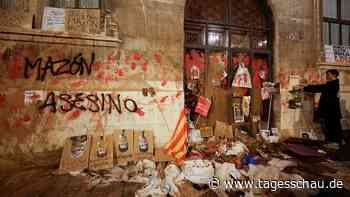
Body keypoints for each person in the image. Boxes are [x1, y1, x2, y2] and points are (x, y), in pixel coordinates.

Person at [303, 69, 343, 145]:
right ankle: (335, 142)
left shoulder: (333, 84)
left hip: (331, 111)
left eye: (328, 74)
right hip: (330, 111)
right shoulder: (332, 84)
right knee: (333, 127)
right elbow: (321, 87)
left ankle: (334, 142)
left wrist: (305, 87)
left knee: (332, 128)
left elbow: (320, 88)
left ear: (334, 75)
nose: (326, 76)